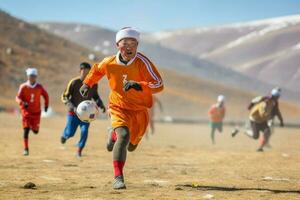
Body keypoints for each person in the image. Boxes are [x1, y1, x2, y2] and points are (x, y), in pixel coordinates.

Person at [79, 27, 164, 189]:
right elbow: (96, 70)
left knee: (132, 146)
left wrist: (139, 85)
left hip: (139, 111)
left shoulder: (142, 62)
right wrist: (86, 83)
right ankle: (118, 177)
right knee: (124, 136)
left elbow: (159, 84)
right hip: (118, 107)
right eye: (126, 43)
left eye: (134, 43)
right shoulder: (109, 62)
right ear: (118, 45)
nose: (130, 46)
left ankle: (113, 136)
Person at [60, 62, 105, 157]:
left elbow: (95, 96)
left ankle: (79, 151)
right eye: (84, 71)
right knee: (70, 133)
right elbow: (64, 96)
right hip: (73, 113)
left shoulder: (94, 84)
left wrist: (101, 105)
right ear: (80, 71)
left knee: (84, 131)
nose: (86, 74)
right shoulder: (74, 82)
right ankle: (65, 135)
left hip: (86, 114)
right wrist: (72, 107)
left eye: (88, 72)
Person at [16, 68, 49, 156]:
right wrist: (22, 102)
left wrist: (46, 106)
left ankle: (32, 127)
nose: (32, 78)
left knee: (35, 131)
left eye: (34, 76)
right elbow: (17, 97)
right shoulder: (23, 86)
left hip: (36, 113)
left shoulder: (39, 87)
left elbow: (46, 96)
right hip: (26, 112)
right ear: (28, 76)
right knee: (25, 130)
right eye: (31, 76)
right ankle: (26, 149)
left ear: (36, 77)